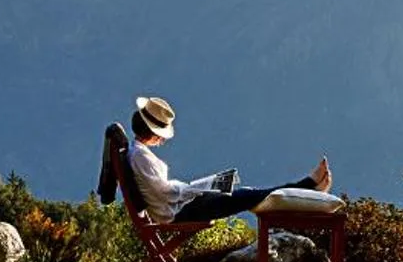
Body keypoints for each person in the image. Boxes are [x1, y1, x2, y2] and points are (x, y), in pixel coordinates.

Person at [124, 94, 332, 224]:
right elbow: (166, 193)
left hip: (181, 207)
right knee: (246, 196)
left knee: (246, 194)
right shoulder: (141, 156)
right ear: (153, 133)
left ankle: (307, 186)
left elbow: (163, 191)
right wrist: (193, 189)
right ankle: (307, 185)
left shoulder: (137, 153)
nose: (162, 139)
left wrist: (196, 188)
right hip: (179, 212)